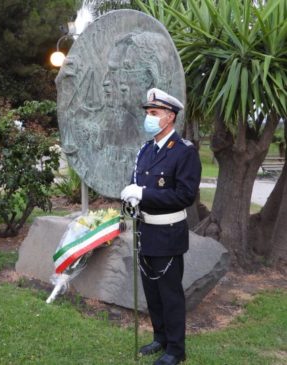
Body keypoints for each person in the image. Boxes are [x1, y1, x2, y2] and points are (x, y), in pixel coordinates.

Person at [121, 88, 201, 365]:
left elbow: (185, 195)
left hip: (167, 233)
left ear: (169, 117)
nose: (148, 118)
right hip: (145, 231)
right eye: (147, 113)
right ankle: (160, 338)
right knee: (152, 293)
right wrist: (132, 199)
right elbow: (137, 184)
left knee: (170, 294)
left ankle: (176, 350)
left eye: (153, 114)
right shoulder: (145, 149)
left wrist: (144, 195)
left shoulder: (183, 152)